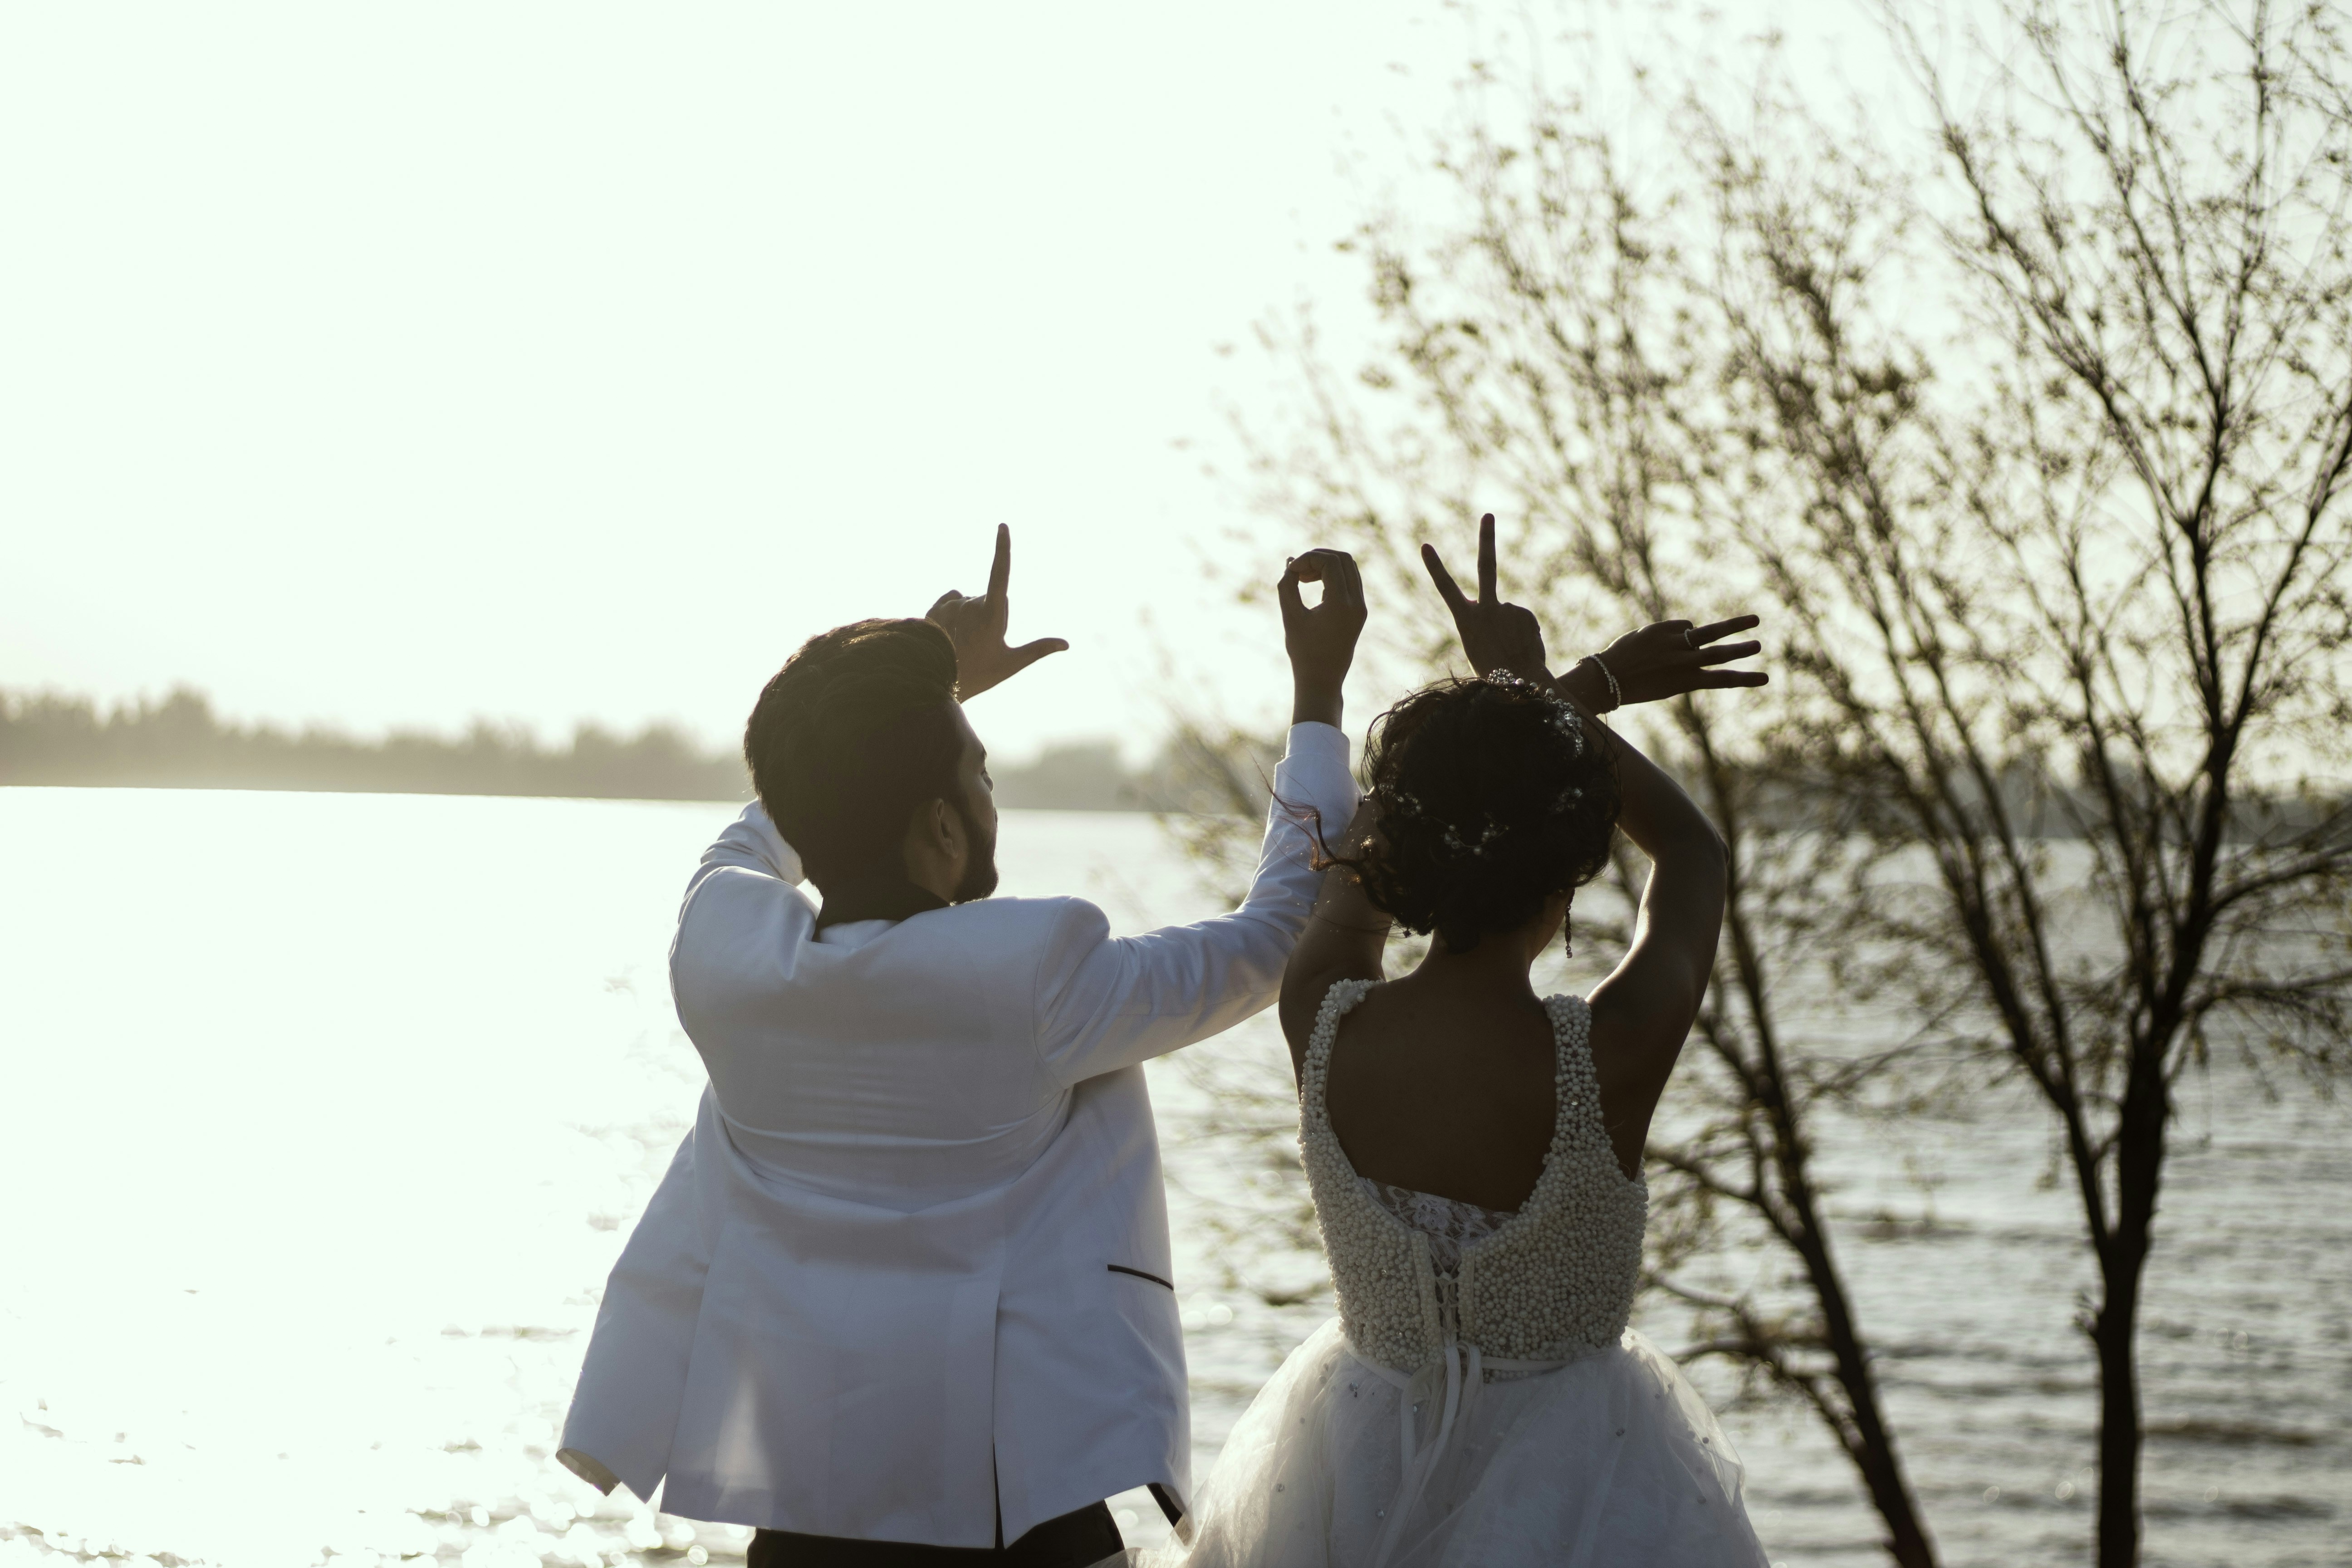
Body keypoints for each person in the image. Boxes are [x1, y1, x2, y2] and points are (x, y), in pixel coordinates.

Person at [556, 527, 1380, 1566]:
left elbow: (775, 819)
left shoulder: (719, 954)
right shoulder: (1035, 974)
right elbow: (1273, 939)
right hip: (1014, 1522)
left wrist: (914, 698)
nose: (992, 796)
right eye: (980, 776)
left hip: (805, 1524)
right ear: (943, 833)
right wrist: (1317, 701)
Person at [1158, 516, 1773, 1567]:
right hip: (1589, 1484)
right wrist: (1549, 691)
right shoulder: (1607, 1059)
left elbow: (1365, 850)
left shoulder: (1327, 1013)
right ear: (1572, 865)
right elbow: (1695, 857)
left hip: (1340, 1475)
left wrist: (1360, 695)